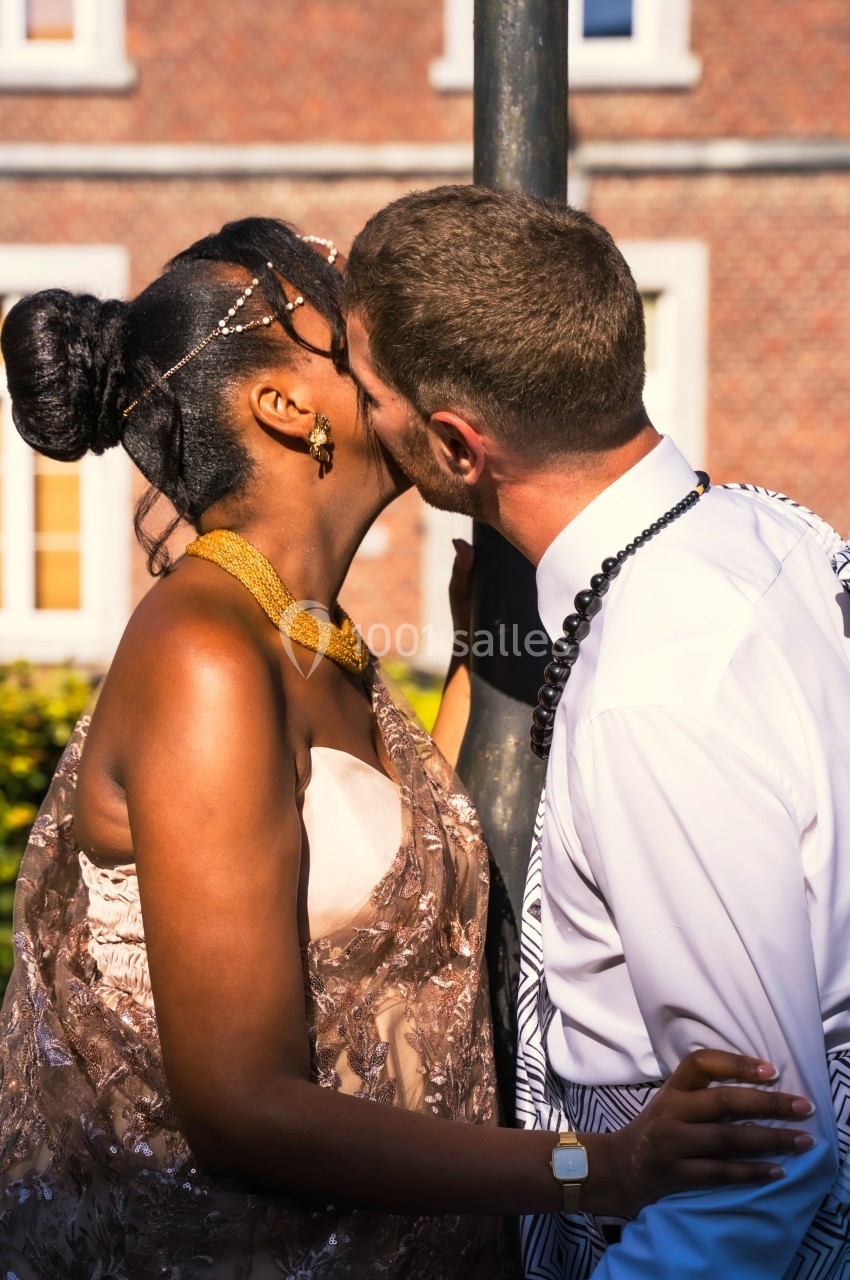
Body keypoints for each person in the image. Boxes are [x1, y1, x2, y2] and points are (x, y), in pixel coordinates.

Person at [0, 218, 813, 1280]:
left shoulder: (313, 633)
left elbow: (369, 883)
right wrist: (596, 1168)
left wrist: (482, 654)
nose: (390, 336)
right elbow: (240, 1105)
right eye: (348, 329)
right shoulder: (205, 651)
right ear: (287, 407)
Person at [344, 185, 850, 1278]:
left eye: (368, 389)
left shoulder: (650, 691)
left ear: (453, 443)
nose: (358, 415)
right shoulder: (768, 527)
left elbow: (760, 1159)